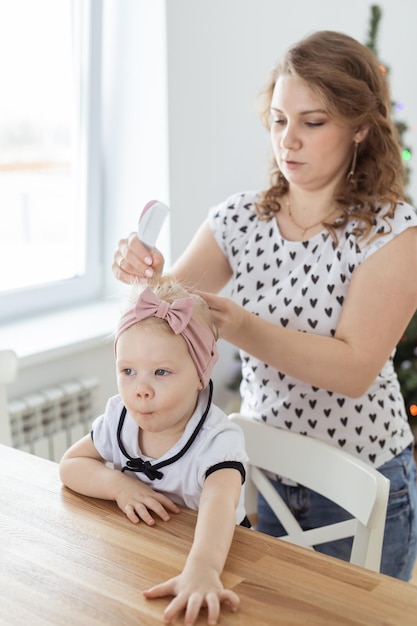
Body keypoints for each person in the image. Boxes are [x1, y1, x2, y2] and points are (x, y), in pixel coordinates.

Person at [112, 30, 417, 581]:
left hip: (364, 480)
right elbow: (168, 316)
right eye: (279, 120)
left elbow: (353, 369)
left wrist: (243, 327)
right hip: (266, 470)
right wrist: (147, 276)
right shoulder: (240, 219)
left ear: (361, 128)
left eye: (313, 122)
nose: (289, 140)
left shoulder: (392, 233)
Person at [59, 276, 249, 626]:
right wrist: (119, 486)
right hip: (144, 556)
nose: (141, 390)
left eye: (161, 372)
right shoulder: (120, 418)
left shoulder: (218, 440)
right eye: (128, 371)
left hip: (219, 560)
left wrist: (203, 570)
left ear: (200, 375)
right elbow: (71, 464)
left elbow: (218, 504)